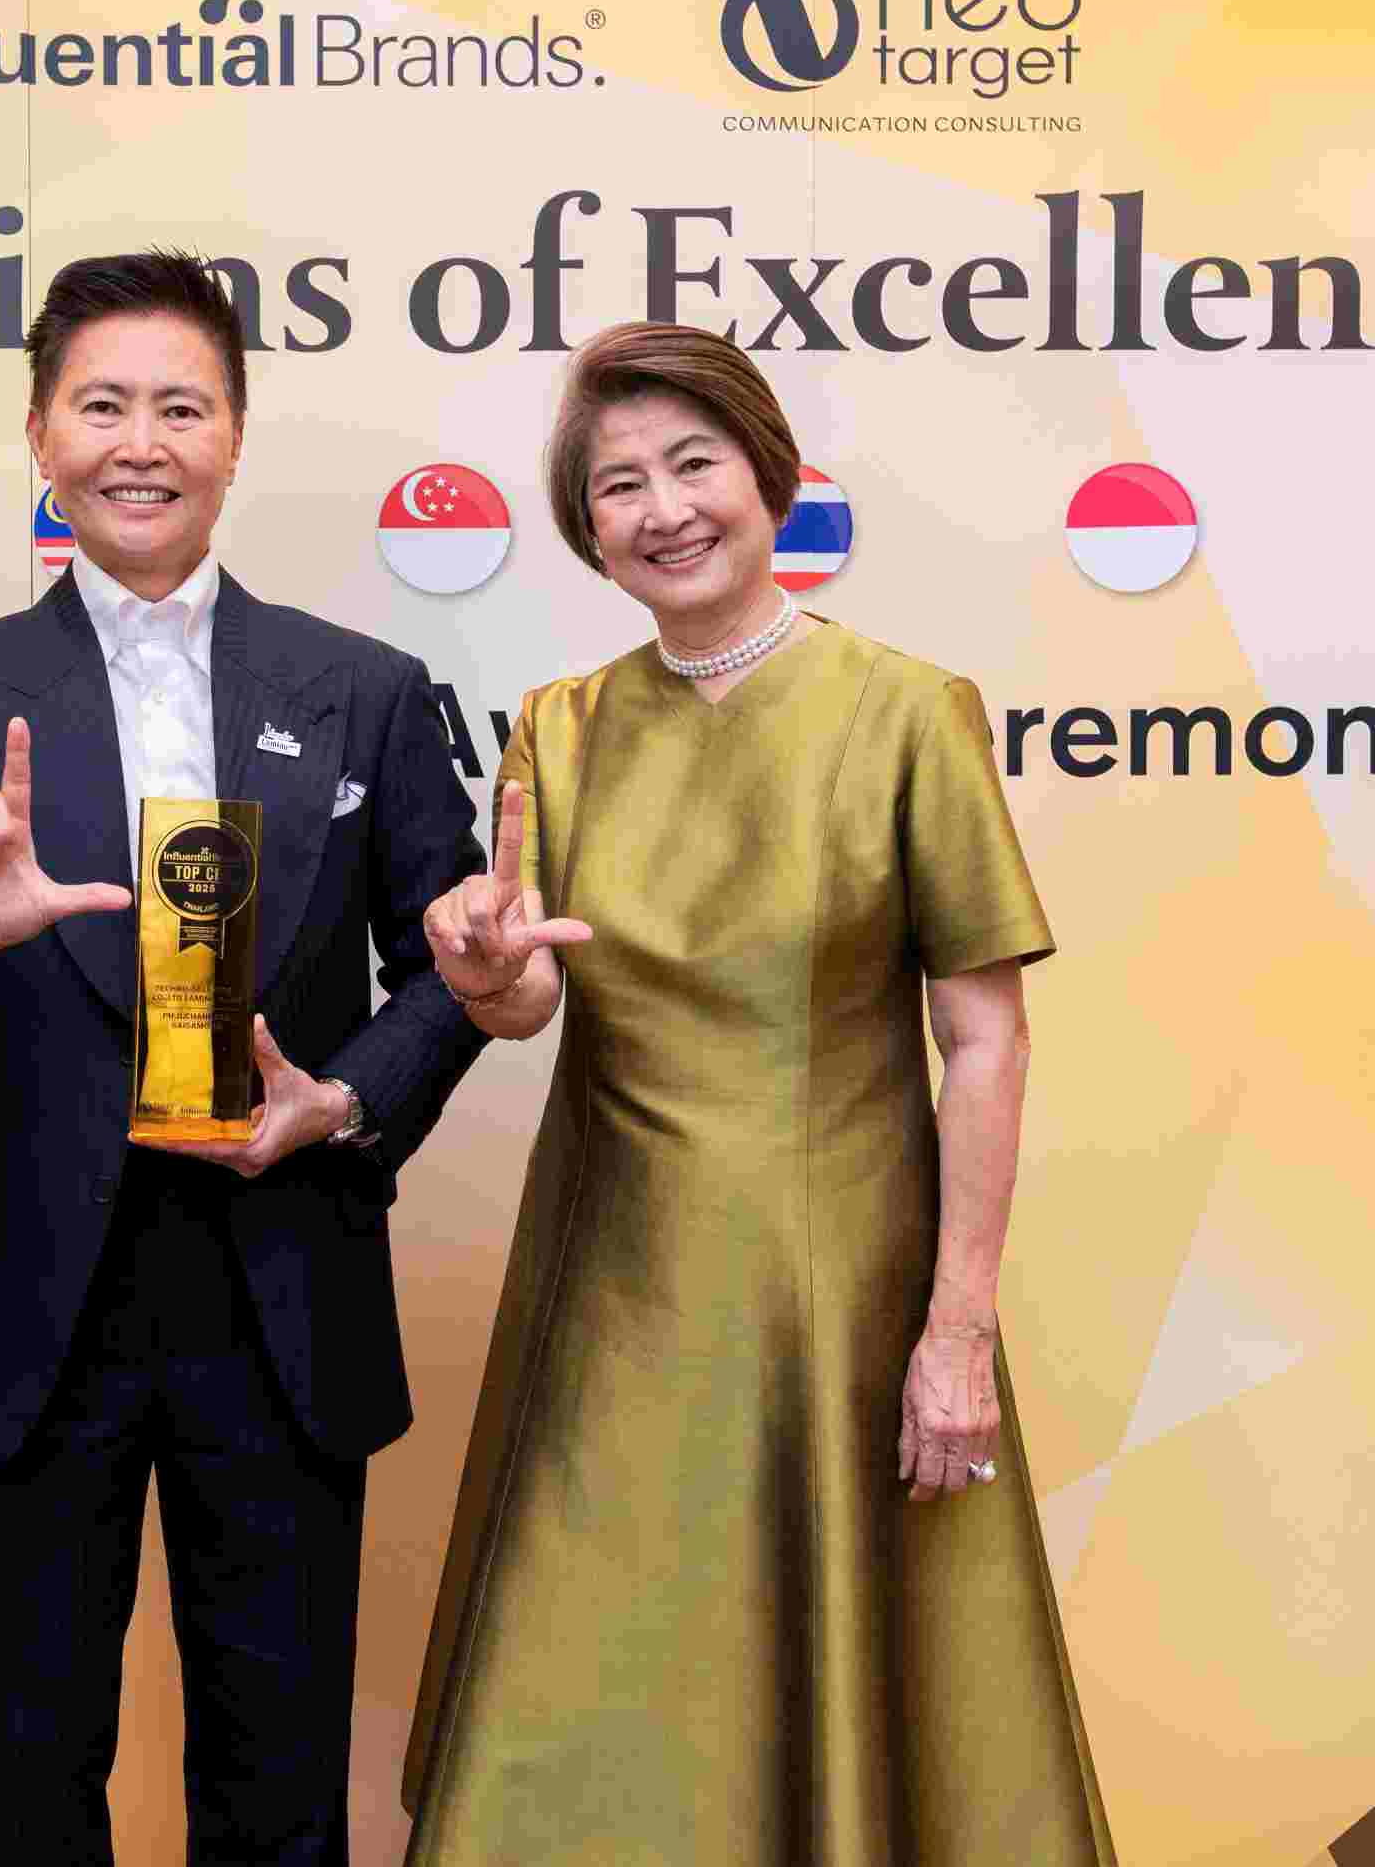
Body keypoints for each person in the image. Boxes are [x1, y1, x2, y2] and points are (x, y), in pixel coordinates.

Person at [398, 322, 1115, 1864]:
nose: (662, 509)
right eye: (617, 485)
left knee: (852, 1725)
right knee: (598, 1721)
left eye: (692, 463)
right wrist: (480, 968)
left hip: (840, 1302)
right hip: (616, 1297)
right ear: (585, 526)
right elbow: (528, 999)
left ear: (768, 473)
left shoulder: (907, 708)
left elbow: (983, 1039)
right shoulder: (559, 728)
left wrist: (956, 1330)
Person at [0, 251, 490, 1865]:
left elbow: (455, 965)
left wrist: (346, 1098)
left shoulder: (366, 691)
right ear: (41, 436)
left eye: (180, 407)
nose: (140, 442)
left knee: (279, 1795)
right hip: (26, 1311)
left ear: (235, 437)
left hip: (281, 1293)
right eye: (101, 404)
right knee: (26, 1792)